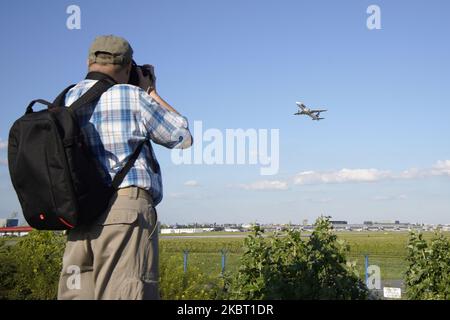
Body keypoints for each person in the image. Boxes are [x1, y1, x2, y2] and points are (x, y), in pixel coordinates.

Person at [57, 35, 192, 300]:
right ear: (129, 66)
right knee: (125, 291)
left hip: (78, 213)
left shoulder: (65, 99)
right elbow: (182, 136)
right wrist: (150, 91)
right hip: (123, 210)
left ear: (89, 61)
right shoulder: (131, 96)